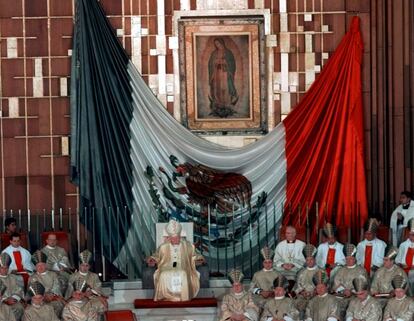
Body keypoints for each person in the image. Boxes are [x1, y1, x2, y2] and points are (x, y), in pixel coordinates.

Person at [147, 220, 203, 301]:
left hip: (182, 266)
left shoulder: (187, 245)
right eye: (173, 238)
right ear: (169, 238)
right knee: (163, 274)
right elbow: (157, 256)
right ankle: (164, 296)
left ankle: (183, 296)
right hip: (167, 266)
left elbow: (194, 256)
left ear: (180, 237)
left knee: (183, 273)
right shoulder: (163, 247)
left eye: (177, 238)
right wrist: (152, 259)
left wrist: (200, 258)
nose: (175, 240)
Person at [332, 244, 368, 318]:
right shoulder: (341, 270)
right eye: (347, 259)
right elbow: (336, 284)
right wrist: (343, 291)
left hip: (356, 296)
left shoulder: (361, 270)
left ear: (355, 259)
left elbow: (363, 285)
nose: (348, 261)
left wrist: (351, 291)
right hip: (342, 296)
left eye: (350, 258)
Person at [28, 250, 65, 318]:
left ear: (46, 265)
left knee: (58, 304)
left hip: (52, 298)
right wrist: (43, 297)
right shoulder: (32, 277)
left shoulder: (53, 274)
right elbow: (32, 291)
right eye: (38, 265)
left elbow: (56, 287)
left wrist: (51, 295)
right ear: (35, 267)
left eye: (42, 265)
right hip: (38, 299)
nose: (40, 267)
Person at [208, 37, 239, 117]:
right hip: (217, 73)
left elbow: (232, 63)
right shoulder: (214, 53)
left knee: (225, 88)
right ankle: (218, 104)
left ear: (222, 43)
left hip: (225, 73)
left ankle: (227, 104)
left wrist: (225, 62)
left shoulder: (228, 53)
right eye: (216, 44)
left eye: (218, 43)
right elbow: (210, 64)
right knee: (217, 88)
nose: (217, 45)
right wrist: (215, 62)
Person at [292, 244, 322, 317]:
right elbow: (297, 286)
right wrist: (302, 292)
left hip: (317, 296)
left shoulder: (321, 271)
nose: (309, 262)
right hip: (302, 296)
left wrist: (314, 292)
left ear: (314, 260)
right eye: (307, 260)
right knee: (295, 305)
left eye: (311, 259)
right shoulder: (301, 272)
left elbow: (324, 286)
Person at [0, 252, 24, 321]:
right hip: (1, 303)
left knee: (19, 307)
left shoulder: (13, 277)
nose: (5, 270)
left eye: (6, 268)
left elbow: (19, 289)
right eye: (2, 268)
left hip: (13, 301)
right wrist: (5, 300)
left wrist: (14, 299)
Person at [396, 218, 414, 295]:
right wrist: (400, 264)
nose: (412, 237)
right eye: (411, 235)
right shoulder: (403, 245)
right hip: (403, 270)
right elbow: (397, 259)